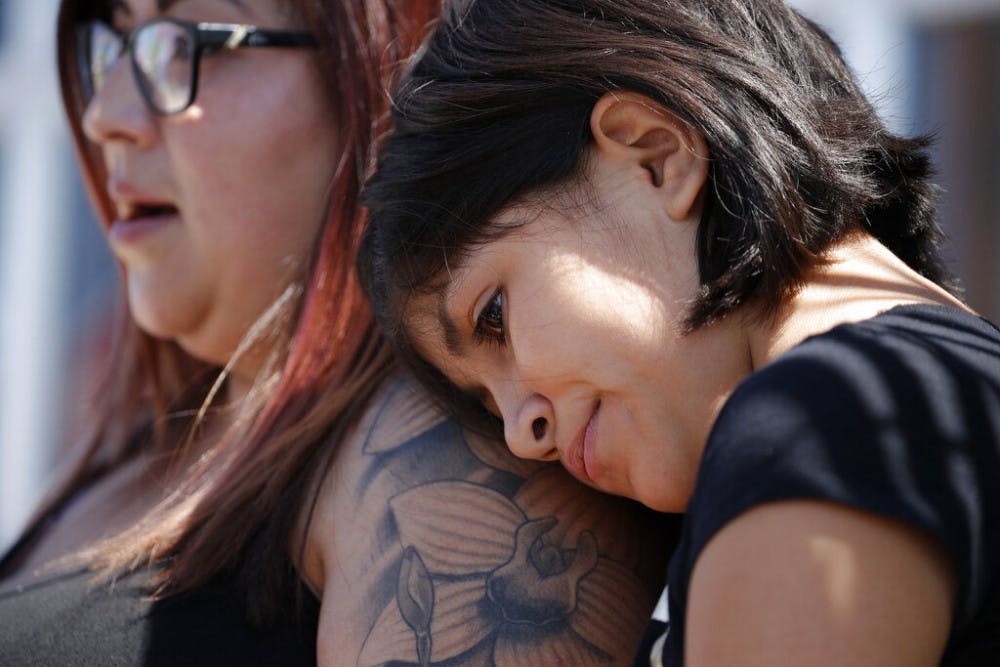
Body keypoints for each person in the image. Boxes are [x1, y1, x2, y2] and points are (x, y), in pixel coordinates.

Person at [0, 0, 674, 664]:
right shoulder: (157, 435)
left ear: (389, 66)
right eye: (116, 41)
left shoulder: (455, 445)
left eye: (181, 43)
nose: (105, 115)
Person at [358, 0, 1000, 664]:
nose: (522, 431)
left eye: (494, 317)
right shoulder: (925, 386)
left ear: (656, 156)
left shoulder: (825, 418)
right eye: (490, 403)